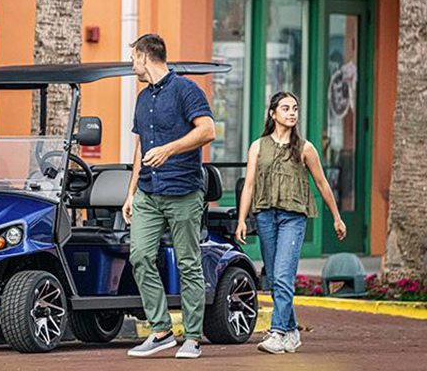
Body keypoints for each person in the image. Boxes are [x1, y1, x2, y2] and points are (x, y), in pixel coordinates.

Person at [123, 34, 216, 360]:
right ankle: (161, 331)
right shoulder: (142, 97)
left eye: (133, 57)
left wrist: (169, 149)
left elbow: (207, 130)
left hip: (183, 192)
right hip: (148, 192)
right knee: (140, 257)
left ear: (145, 57)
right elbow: (140, 146)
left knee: (188, 264)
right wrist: (131, 192)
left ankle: (192, 337)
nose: (132, 64)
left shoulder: (186, 90)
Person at [235, 92, 347, 354]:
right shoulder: (257, 146)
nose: (292, 113)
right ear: (273, 113)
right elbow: (249, 185)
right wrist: (242, 219)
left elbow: (322, 184)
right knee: (274, 277)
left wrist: (337, 217)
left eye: (295, 108)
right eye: (285, 108)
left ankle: (276, 333)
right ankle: (292, 330)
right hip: (264, 216)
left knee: (284, 276)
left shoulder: (306, 148)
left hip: (292, 218)